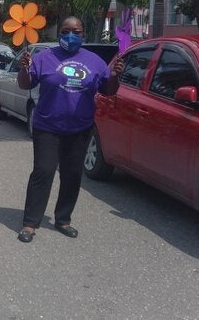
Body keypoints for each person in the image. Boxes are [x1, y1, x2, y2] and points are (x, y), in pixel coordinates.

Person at [16, 16, 124, 243]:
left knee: (72, 175)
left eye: (76, 31)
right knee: (43, 172)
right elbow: (26, 84)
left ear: (83, 34)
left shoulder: (95, 62)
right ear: (59, 34)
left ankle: (63, 219)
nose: (70, 35)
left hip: (79, 128)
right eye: (66, 30)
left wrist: (115, 75)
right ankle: (30, 222)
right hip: (47, 126)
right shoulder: (45, 57)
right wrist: (24, 69)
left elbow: (108, 90)